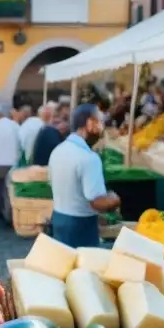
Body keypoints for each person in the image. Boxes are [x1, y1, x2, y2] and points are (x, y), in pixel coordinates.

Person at [47, 105, 121, 248]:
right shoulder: (89, 158)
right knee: (84, 267)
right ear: (90, 123)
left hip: (58, 219)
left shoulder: (57, 151)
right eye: (99, 123)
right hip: (80, 226)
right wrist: (115, 200)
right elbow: (97, 202)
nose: (101, 129)